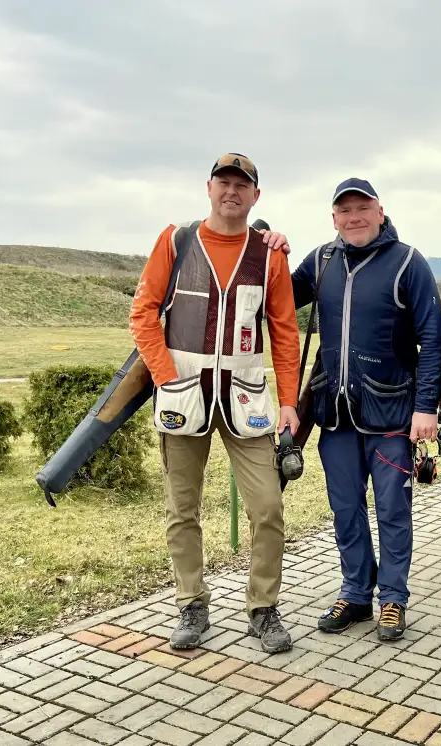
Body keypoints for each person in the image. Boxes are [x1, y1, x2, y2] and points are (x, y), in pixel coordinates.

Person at [127, 153, 299, 654]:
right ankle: (191, 605)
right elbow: (143, 314)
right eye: (224, 182)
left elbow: (285, 333)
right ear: (208, 188)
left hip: (247, 401)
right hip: (183, 398)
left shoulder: (270, 255)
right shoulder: (176, 241)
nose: (232, 191)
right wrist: (166, 377)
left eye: (242, 185)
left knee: (268, 507)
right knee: (182, 509)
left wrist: (289, 402)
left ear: (255, 196)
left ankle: (262, 609)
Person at [291, 178, 441, 641]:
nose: (354, 217)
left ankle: (393, 598)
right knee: (345, 509)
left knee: (392, 509)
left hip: (392, 414)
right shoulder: (320, 261)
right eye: (345, 210)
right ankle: (356, 593)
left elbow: (432, 338)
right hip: (335, 414)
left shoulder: (408, 262)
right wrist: (265, 248)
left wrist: (426, 408)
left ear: (380, 212)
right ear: (333, 218)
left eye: (363, 208)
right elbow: (277, 296)